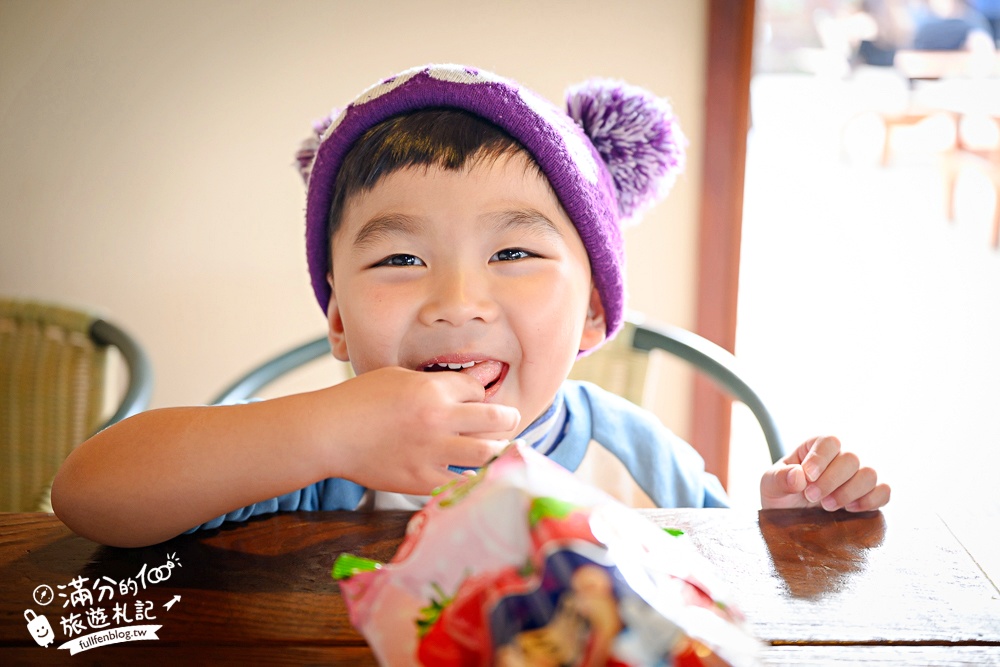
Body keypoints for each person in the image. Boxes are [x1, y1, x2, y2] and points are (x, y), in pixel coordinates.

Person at [51, 64, 890, 548]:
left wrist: (785, 535)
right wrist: (323, 432)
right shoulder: (312, 464)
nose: (457, 301)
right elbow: (87, 494)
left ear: (596, 312)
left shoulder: (631, 455)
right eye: (401, 257)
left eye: (515, 253)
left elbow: (721, 582)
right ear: (338, 318)